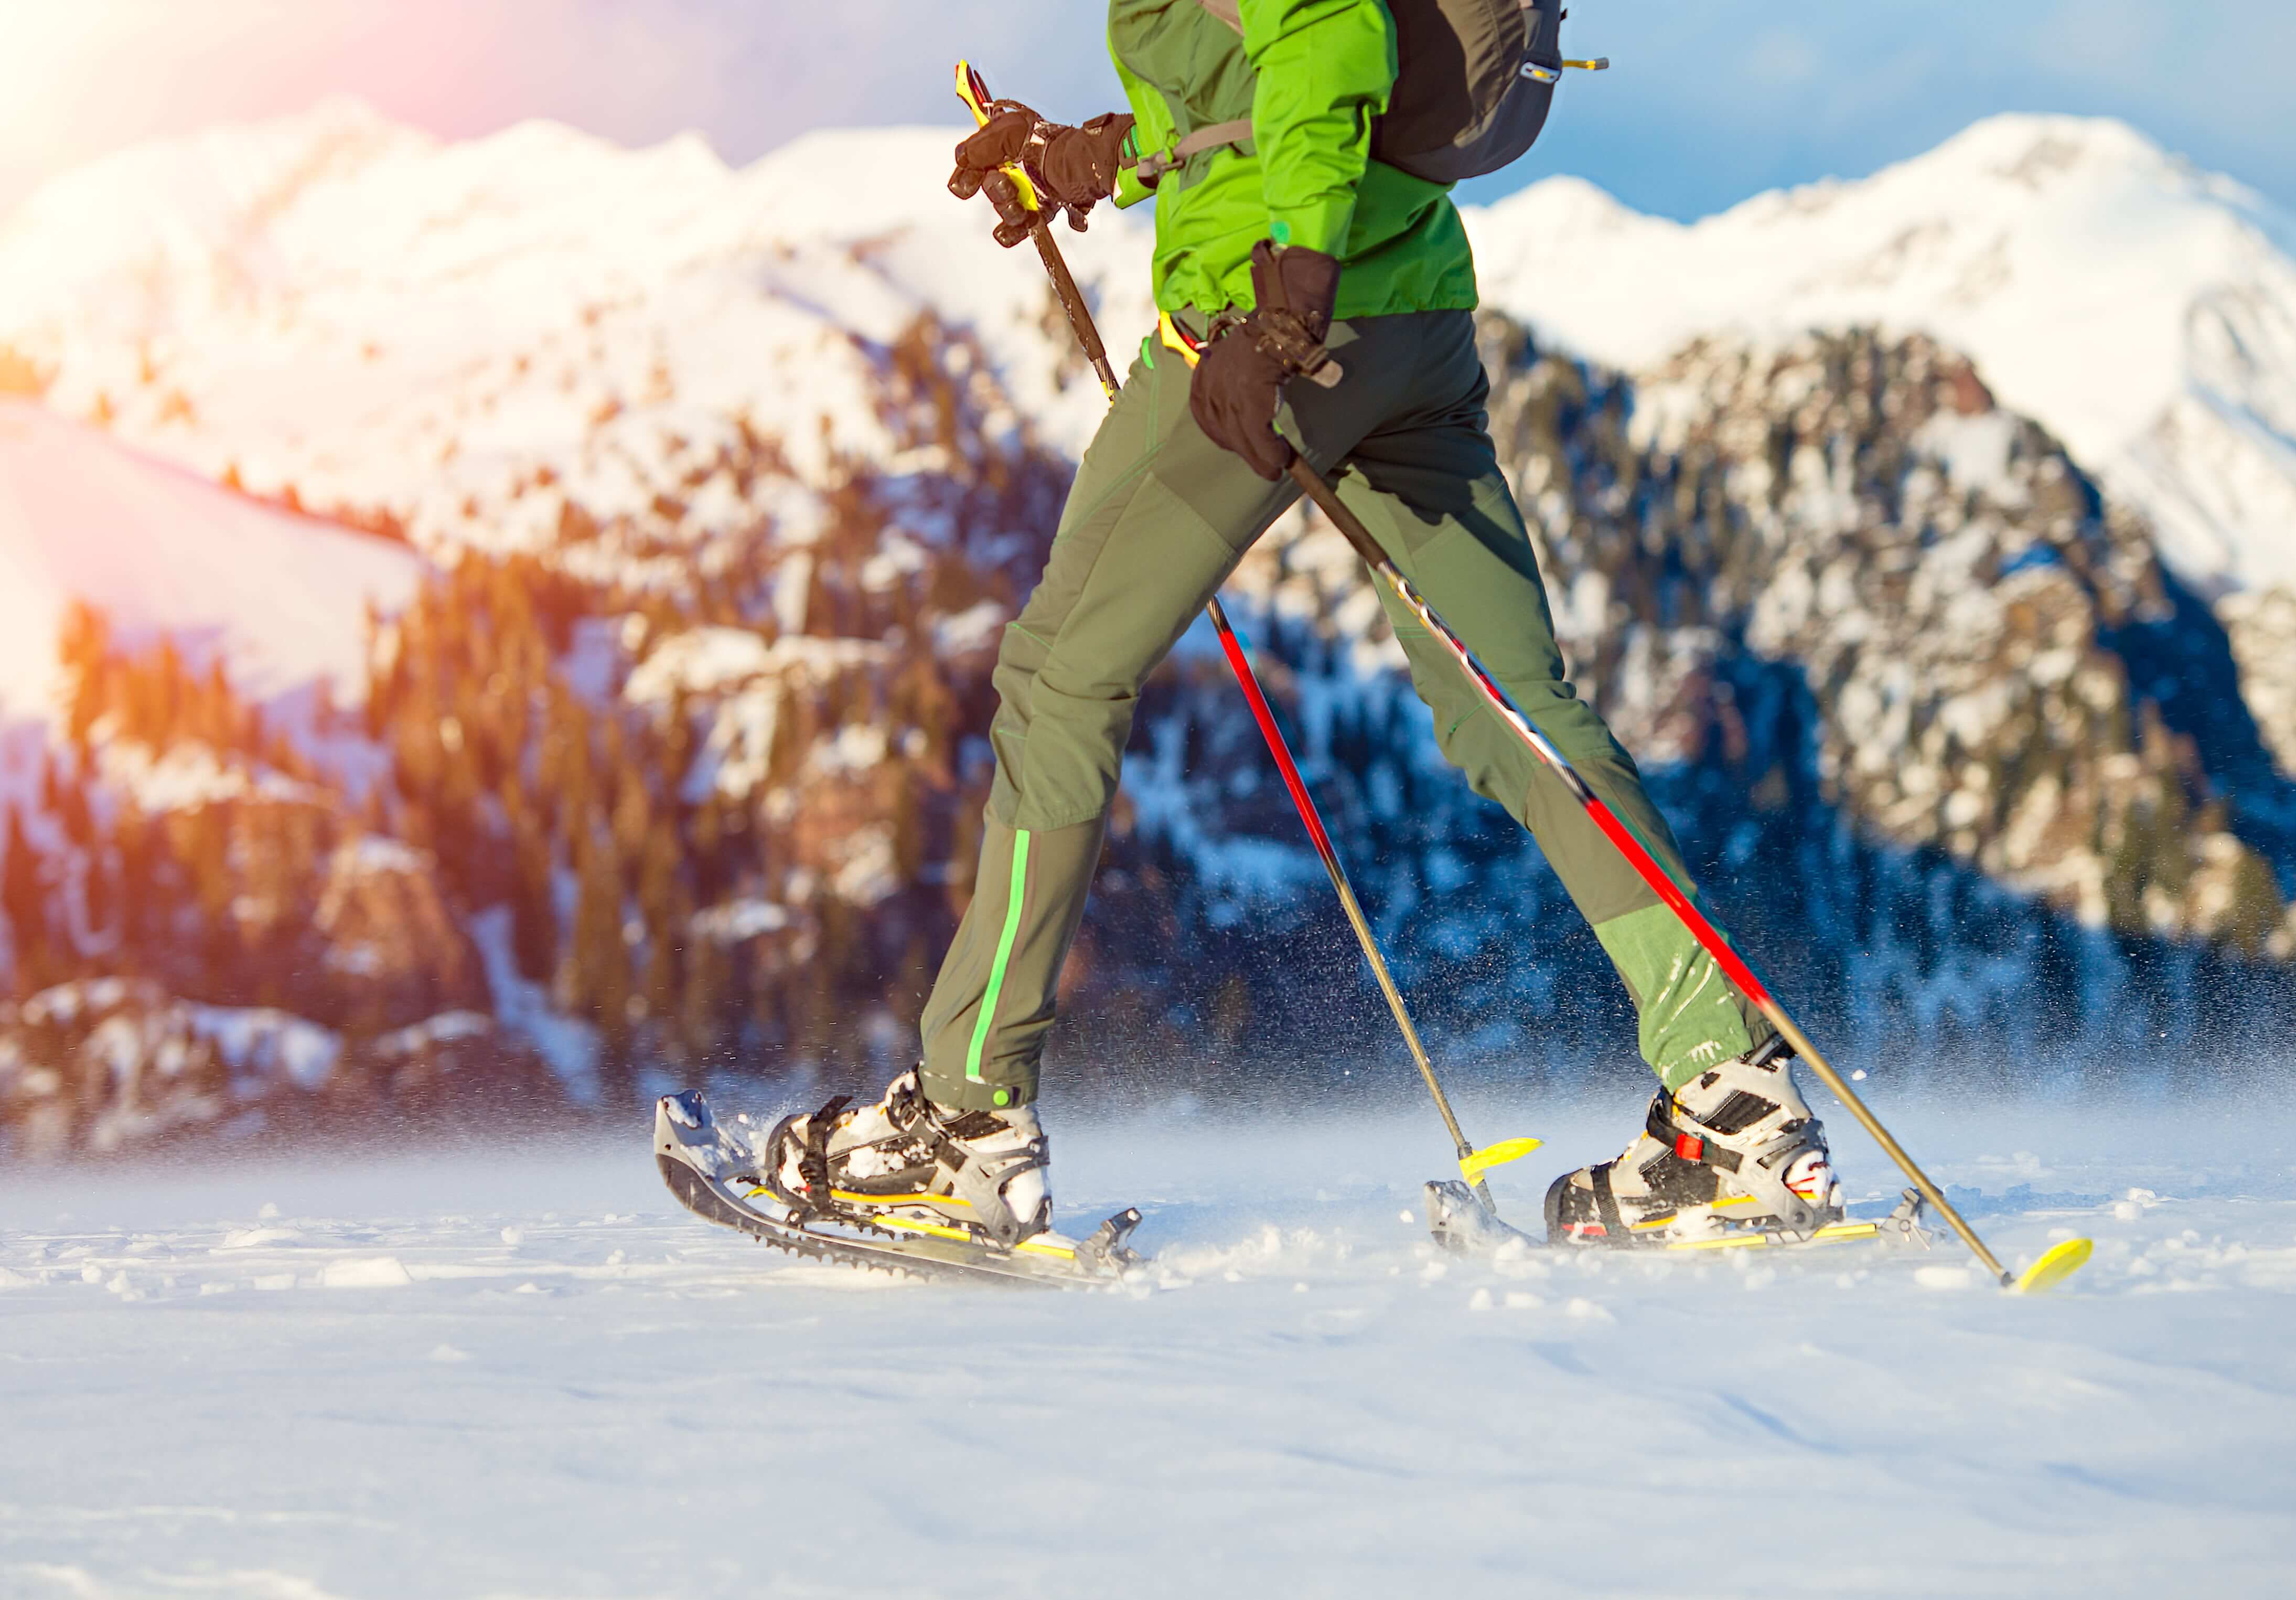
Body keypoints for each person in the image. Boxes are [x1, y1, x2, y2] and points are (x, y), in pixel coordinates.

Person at [764, 0, 1839, 1249]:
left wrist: (1280, 314)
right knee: (1508, 703)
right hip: (1411, 327)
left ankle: (961, 1125)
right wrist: (1090, 158)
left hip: (1268, 331)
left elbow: (1326, 42)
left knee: (1058, 678)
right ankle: (1734, 1093)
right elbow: (1262, 84)